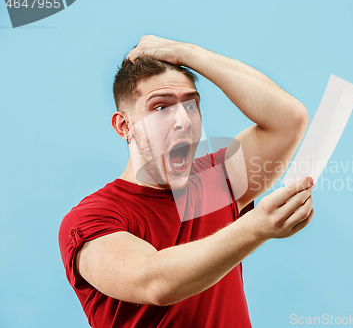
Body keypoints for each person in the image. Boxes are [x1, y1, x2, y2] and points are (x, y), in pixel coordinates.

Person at [59, 35, 314, 328]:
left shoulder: (216, 181)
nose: (184, 120)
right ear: (125, 126)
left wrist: (186, 53)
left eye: (191, 105)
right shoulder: (90, 219)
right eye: (161, 107)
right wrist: (255, 227)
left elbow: (289, 120)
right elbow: (154, 282)